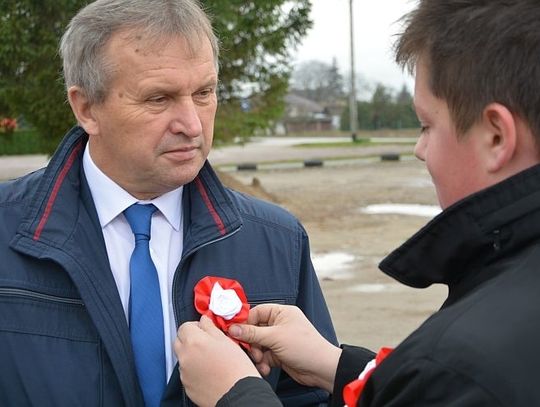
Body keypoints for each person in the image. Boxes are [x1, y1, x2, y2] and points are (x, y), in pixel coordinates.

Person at [175, 0, 540, 405]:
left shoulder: (464, 367)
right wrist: (338, 367)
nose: (420, 150)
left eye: (426, 125)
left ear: (496, 137)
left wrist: (236, 394)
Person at [0, 0, 337, 406]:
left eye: (204, 93)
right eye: (158, 98)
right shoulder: (8, 230)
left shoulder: (277, 241)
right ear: (86, 107)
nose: (192, 124)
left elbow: (313, 397)